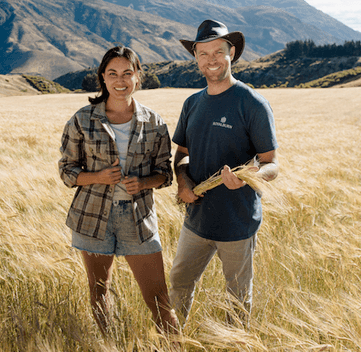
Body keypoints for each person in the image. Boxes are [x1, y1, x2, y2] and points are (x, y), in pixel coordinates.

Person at [58, 46, 179, 336]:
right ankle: (109, 344)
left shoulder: (154, 123)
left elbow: (165, 173)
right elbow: (66, 171)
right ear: (102, 77)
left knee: (159, 298)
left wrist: (144, 183)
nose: (120, 80)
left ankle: (175, 345)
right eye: (112, 73)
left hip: (138, 219)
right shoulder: (82, 119)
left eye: (127, 73)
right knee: (100, 292)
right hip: (92, 217)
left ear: (138, 78)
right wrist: (98, 176)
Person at [169, 20, 279, 327]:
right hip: (197, 220)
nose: (211, 59)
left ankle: (236, 343)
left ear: (231, 53)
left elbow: (272, 164)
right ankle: (170, 343)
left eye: (218, 51)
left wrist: (250, 175)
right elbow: (182, 156)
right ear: (196, 58)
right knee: (178, 282)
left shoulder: (252, 103)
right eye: (203, 53)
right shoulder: (192, 103)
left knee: (237, 298)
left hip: (237, 222)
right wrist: (183, 183)